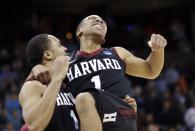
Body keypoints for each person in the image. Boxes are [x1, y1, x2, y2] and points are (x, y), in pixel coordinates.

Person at [30, 15, 167, 131]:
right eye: (93, 19)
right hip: (87, 119)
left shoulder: (116, 52)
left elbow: (151, 70)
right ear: (79, 31)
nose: (100, 21)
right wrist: (37, 68)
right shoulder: (66, 61)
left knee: (84, 98)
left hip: (120, 112)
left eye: (102, 21)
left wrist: (158, 50)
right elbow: (44, 77)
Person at [19, 34, 79, 131]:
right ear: (47, 55)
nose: (65, 48)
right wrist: (57, 78)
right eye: (59, 45)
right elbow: (35, 126)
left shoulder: (69, 83)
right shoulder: (33, 86)